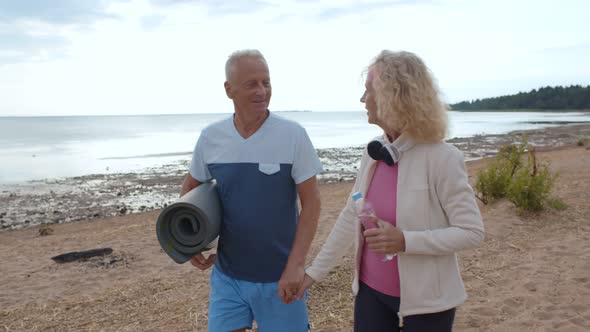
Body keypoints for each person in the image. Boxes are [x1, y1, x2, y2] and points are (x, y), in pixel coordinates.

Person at [296, 50, 485, 331]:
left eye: (367, 92)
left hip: (428, 303)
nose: (363, 100)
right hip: (370, 294)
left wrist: (404, 241)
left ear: (391, 96)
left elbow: (471, 232)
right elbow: (352, 215)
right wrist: (313, 274)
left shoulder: (443, 158)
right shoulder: (373, 152)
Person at [180, 49, 322, 332]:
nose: (262, 91)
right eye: (251, 84)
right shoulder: (211, 137)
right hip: (228, 276)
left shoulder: (293, 135)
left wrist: (296, 265)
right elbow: (190, 189)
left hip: (280, 277)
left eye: (266, 82)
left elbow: (312, 203)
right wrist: (189, 243)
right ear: (228, 89)